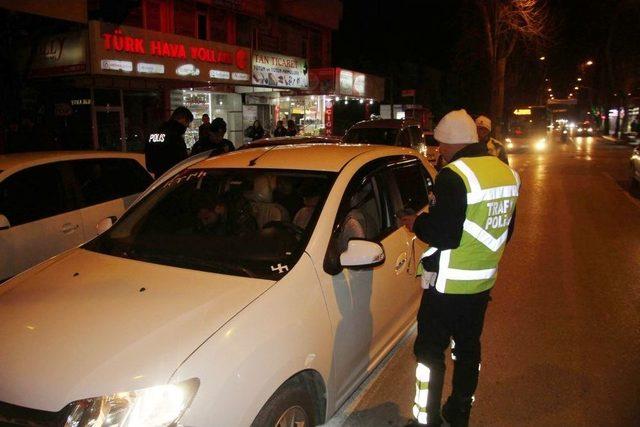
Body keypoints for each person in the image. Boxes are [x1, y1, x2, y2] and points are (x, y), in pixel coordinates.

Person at [400, 109, 520, 427]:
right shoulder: (506, 172)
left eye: (441, 144)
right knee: (467, 348)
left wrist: (417, 223)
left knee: (429, 351)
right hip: (481, 284)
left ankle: (427, 420)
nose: (439, 150)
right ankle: (459, 410)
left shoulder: (454, 176)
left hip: (448, 284)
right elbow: (507, 230)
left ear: (453, 143)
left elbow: (444, 235)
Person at [145, 106, 193, 178]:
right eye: (187, 122)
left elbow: (149, 160)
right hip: (173, 178)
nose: (188, 126)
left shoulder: (155, 133)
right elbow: (182, 162)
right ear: (182, 119)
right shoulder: (175, 136)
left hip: (158, 179)